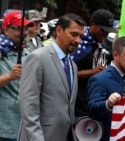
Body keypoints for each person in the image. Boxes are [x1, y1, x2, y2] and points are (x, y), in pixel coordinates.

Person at [18, 13, 86, 141]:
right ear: (59, 30)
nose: (78, 40)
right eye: (74, 34)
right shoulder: (38, 57)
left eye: (81, 36)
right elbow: (28, 105)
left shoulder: (72, 65)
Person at [0, 11, 33, 141]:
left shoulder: (29, 53)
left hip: (23, 128)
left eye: (25, 28)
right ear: (6, 30)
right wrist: (9, 76)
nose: (24, 33)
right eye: (18, 29)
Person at [71, 9, 117, 119]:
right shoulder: (77, 45)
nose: (105, 34)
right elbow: (64, 73)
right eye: (103, 30)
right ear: (93, 25)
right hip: (78, 105)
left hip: (97, 102)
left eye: (108, 31)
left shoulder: (104, 45)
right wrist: (91, 72)